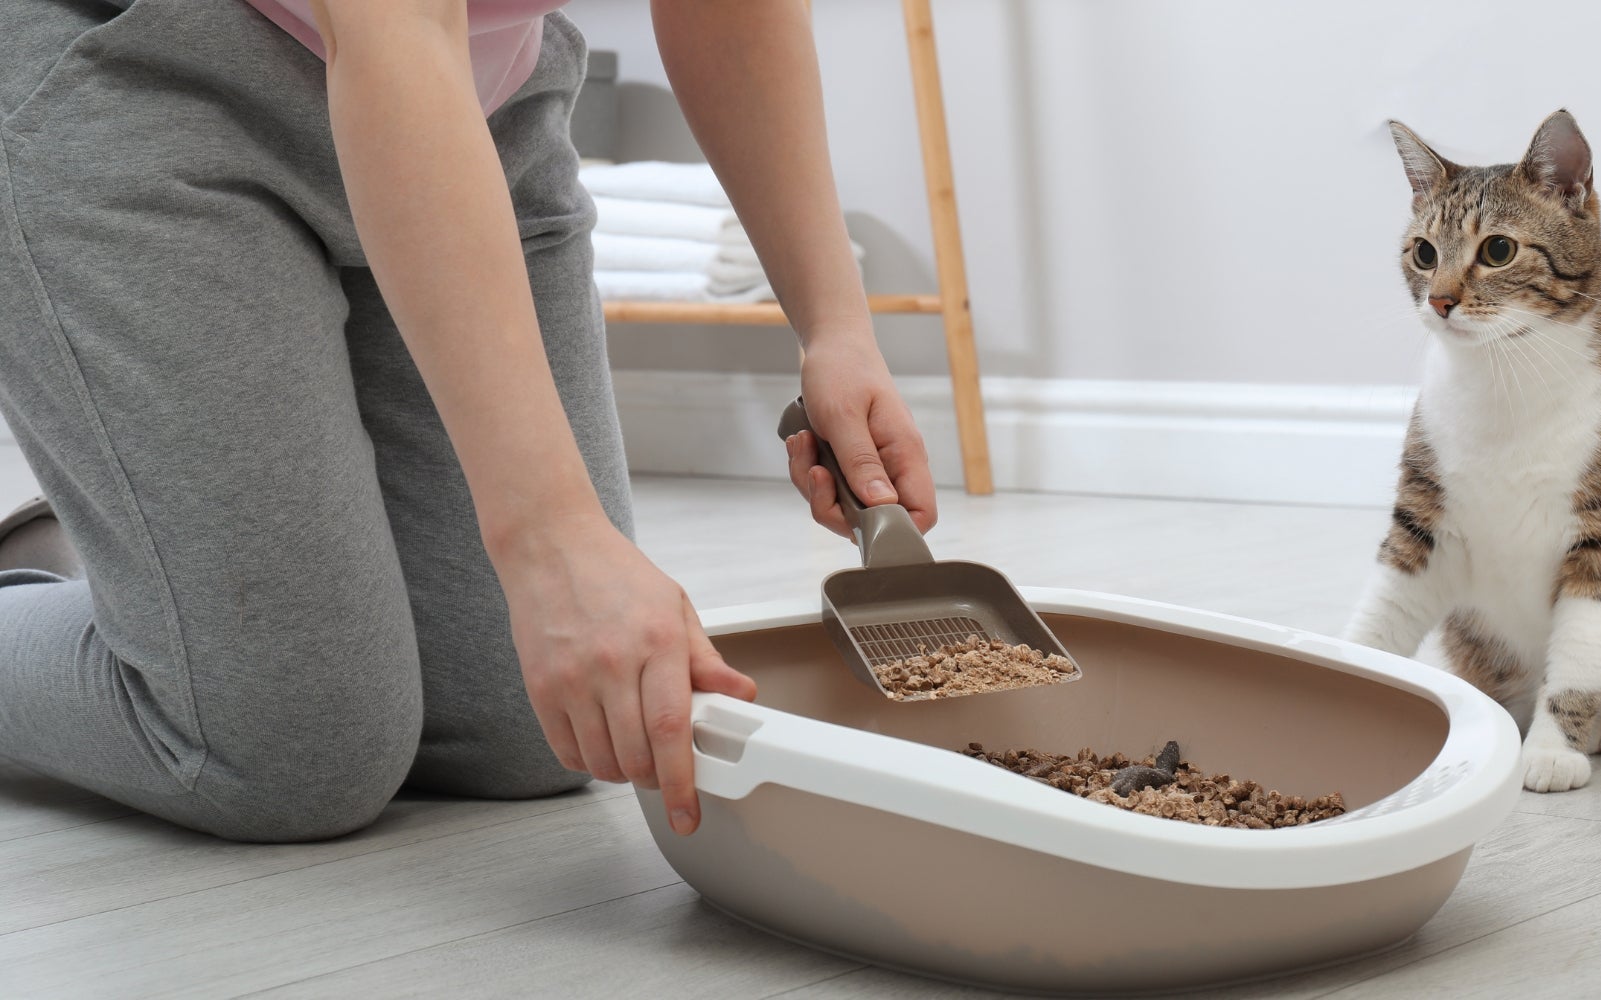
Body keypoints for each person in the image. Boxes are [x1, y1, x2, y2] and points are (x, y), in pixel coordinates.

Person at [0, 0, 936, 842]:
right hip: (137, 79)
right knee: (291, 752)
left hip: (483, 106)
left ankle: (161, 562)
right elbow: (391, 27)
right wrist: (551, 538)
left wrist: (835, 327)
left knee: (542, 731)